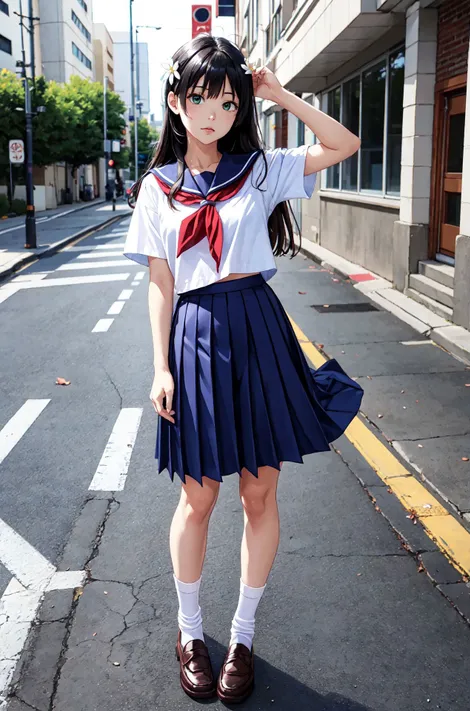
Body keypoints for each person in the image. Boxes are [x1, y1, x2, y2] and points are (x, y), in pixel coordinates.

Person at [123, 34, 363, 704]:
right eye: (199, 98)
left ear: (239, 108)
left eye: (227, 102)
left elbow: (343, 144)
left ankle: (244, 632)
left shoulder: (259, 169)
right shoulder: (156, 190)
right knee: (198, 496)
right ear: (175, 101)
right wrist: (159, 365)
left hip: (259, 330)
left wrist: (280, 94)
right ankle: (190, 631)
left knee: (259, 492)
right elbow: (161, 283)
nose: (212, 114)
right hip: (195, 338)